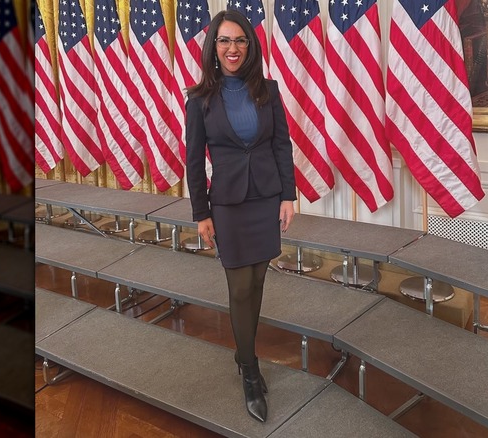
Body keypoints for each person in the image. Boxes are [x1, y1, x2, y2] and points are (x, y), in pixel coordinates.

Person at [185, 10, 296, 423]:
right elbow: (194, 161)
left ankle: (244, 353)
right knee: (240, 285)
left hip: (266, 198)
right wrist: (201, 213)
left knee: (260, 277)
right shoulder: (199, 99)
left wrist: (288, 195)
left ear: (250, 46)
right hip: (227, 205)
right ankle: (249, 368)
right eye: (225, 41)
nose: (233, 48)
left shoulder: (268, 89)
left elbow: (281, 144)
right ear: (214, 47)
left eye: (240, 41)